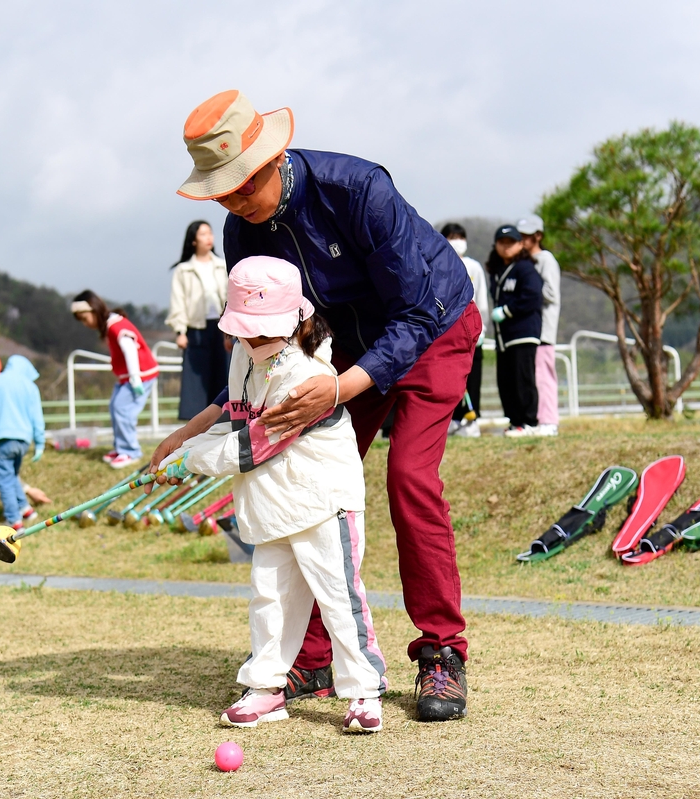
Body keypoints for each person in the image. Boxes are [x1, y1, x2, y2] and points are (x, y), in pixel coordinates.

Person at [156, 90, 479, 722]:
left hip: (432, 328)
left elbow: (413, 312)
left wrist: (342, 387)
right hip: (333, 358)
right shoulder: (242, 228)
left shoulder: (357, 189)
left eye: (241, 185)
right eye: (219, 192)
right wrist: (197, 424)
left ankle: (441, 651)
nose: (232, 201)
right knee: (297, 481)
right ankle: (314, 657)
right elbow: (264, 348)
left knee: (409, 477)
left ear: (273, 157)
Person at [159, 256, 386, 733]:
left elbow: (256, 443)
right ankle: (266, 687)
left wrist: (190, 461)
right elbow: (237, 414)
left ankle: (363, 690)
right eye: (246, 329)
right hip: (271, 501)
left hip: (322, 499)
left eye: (263, 330)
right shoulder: (245, 351)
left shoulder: (305, 370)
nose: (253, 338)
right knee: (269, 597)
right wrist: (183, 445)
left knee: (339, 598)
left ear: (291, 319)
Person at [71, 290, 159, 469]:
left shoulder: (115, 326)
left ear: (94, 310)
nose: (85, 324)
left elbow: (130, 348)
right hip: (128, 376)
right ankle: (121, 448)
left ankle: (131, 451)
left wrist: (135, 377)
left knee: (123, 410)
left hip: (139, 375)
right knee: (115, 407)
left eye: (84, 318)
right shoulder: (111, 324)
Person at [166, 220, 231, 420]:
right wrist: (180, 332)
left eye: (210, 233)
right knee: (195, 380)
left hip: (222, 329)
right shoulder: (183, 270)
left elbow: (230, 296)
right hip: (195, 330)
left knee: (223, 374)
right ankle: (194, 425)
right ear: (193, 240)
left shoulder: (222, 266)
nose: (208, 238)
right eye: (203, 234)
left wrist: (231, 330)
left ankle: (222, 419)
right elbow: (178, 301)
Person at [488, 224, 543, 435]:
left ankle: (529, 422)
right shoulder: (497, 271)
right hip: (504, 337)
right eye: (502, 243)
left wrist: (508, 311)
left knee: (523, 379)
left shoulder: (525, 268)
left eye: (511, 243)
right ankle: (515, 421)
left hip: (523, 333)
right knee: (506, 380)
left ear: (520, 245)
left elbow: (532, 297)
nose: (506, 247)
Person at [0, 354, 46, 530]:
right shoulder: (30, 387)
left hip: (2, 438)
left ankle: (13, 520)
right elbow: (37, 417)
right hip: (23, 440)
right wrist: (39, 443)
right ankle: (26, 510)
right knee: (12, 475)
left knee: (4, 480)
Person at [441, 223, 491, 438]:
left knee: (473, 378)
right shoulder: (438, 264)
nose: (457, 241)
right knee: (449, 378)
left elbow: (481, 299)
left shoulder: (474, 267)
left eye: (460, 237)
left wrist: (483, 329)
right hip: (447, 331)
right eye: (452, 237)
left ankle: (472, 419)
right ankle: (451, 420)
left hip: (472, 330)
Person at [518, 214, 560, 436]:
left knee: (544, 375)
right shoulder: (531, 262)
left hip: (544, 328)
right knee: (535, 375)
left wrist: (529, 291)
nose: (523, 239)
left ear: (538, 236)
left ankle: (549, 421)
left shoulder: (545, 259)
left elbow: (551, 293)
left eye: (527, 235)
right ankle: (541, 420)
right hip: (533, 328)